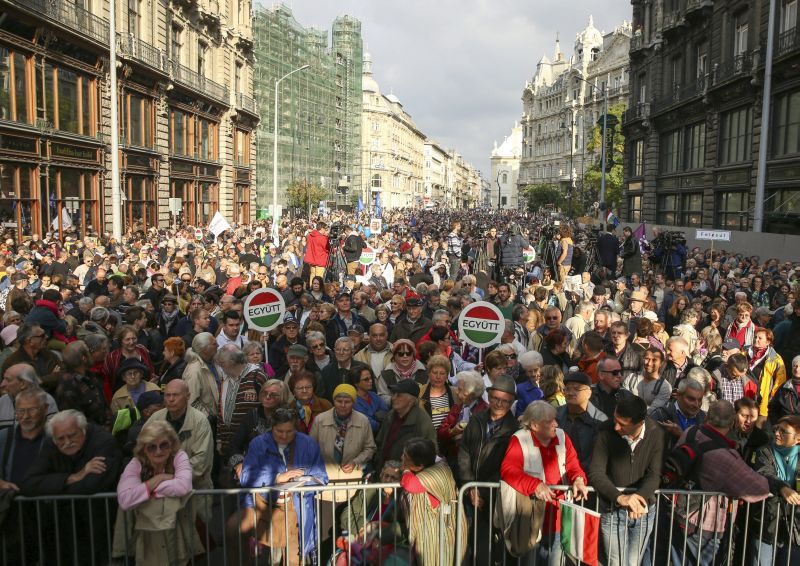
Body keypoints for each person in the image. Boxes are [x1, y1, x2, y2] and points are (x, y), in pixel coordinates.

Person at [667, 401, 770, 566]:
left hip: (679, 512)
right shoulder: (725, 456)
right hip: (705, 525)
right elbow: (759, 488)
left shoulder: (690, 432)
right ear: (732, 422)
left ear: (707, 416)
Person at [21, 410, 122, 564]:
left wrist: (54, 486)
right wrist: (74, 477)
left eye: (72, 435)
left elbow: (92, 485)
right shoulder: (51, 444)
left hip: (100, 526)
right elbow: (28, 483)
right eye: (61, 438)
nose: (67, 442)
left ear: (83, 430)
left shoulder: (103, 441)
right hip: (62, 531)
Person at [233, 407, 328, 565]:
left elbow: (322, 478)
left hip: (298, 511)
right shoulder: (258, 443)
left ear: (296, 428)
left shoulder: (309, 444)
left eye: (289, 431)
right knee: (265, 559)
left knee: (294, 560)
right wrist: (276, 477)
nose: (284, 436)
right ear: (272, 427)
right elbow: (246, 476)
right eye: (279, 431)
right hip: (264, 512)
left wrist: (302, 483)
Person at [499, 401, 588, 566]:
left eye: (555, 419)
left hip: (560, 515)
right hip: (532, 518)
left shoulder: (562, 436)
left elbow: (573, 464)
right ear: (534, 425)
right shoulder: (520, 439)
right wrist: (535, 485)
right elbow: (509, 470)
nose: (556, 424)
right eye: (549, 421)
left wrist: (579, 478)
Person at [588, 396, 664, 566]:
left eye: (623, 424)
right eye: (615, 419)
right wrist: (620, 498)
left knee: (633, 563)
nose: (616, 426)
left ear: (640, 423)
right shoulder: (605, 430)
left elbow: (654, 474)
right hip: (612, 509)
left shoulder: (656, 433)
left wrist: (638, 498)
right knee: (617, 563)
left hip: (643, 511)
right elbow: (596, 472)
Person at [116, 420, 199, 565]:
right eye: (152, 447)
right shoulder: (136, 463)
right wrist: (159, 479)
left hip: (177, 529)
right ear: (143, 449)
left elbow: (183, 486)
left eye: (164, 445)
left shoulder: (179, 456)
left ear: (171, 444)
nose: (159, 451)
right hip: (146, 534)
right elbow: (125, 499)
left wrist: (145, 490)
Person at [458, 374, 517, 565]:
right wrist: (469, 485)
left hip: (496, 496)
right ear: (489, 397)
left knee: (496, 548)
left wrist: (481, 490)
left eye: (505, 401)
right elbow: (465, 451)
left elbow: (508, 465)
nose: (499, 404)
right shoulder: (476, 419)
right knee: (474, 545)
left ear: (512, 403)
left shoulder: (514, 429)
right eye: (496, 399)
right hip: (471, 492)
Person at [399, 437, 466, 566]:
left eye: (406, 457)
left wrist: (405, 470)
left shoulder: (438, 470)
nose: (402, 458)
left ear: (419, 466)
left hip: (441, 535)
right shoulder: (430, 465)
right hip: (431, 533)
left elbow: (410, 484)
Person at [749, 415, 800, 566]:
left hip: (794, 527)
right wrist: (782, 488)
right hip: (767, 523)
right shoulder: (764, 451)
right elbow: (764, 472)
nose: (777, 433)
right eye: (776, 429)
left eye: (784, 431)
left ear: (798, 438)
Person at [149, 379, 214, 491]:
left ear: (188, 396)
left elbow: (201, 460)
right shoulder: (155, 419)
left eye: (175, 395)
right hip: (161, 492)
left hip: (195, 491)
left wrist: (173, 478)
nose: (171, 399)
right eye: (167, 395)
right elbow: (142, 450)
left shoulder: (200, 421)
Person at [224, 379, 291, 484]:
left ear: (283, 398)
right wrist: (239, 463)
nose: (267, 396)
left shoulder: (290, 418)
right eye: (264, 393)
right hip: (252, 470)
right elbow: (233, 446)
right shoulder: (251, 416)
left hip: (281, 473)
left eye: (273, 394)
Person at [215, 344, 268, 455]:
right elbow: (221, 410)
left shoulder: (257, 376)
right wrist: (220, 439)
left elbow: (267, 408)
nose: (220, 367)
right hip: (228, 445)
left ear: (232, 362)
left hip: (252, 445)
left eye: (222, 363)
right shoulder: (225, 379)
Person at [374, 380, 436, 472]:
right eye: (393, 394)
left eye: (399, 395)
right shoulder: (391, 415)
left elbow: (429, 454)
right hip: (385, 471)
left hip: (407, 476)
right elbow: (380, 442)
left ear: (411, 400)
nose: (393, 398)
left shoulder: (422, 421)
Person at [53, 341, 113, 429]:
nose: (91, 353)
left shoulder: (90, 376)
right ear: (83, 358)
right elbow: (77, 423)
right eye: (89, 351)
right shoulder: (68, 388)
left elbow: (103, 404)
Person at [557, 371, 607, 470]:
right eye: (567, 389)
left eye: (576, 389)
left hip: (587, 476)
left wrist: (577, 474)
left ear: (589, 393)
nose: (570, 393)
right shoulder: (555, 415)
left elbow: (597, 457)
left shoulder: (600, 420)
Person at [0, 323, 61, 392]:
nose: (46, 337)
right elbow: (12, 389)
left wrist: (37, 381)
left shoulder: (48, 354)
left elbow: (62, 373)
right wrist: (50, 378)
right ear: (30, 341)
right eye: (42, 336)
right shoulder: (12, 363)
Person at [748, 327, 787, 426]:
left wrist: (770, 400)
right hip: (743, 398)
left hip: (761, 403)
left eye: (760, 338)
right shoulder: (746, 352)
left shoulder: (776, 359)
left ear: (768, 341)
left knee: (757, 431)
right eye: (755, 337)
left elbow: (780, 383)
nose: (756, 340)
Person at [0, 363, 58, 429]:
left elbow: (52, 433)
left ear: (23, 384)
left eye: (8, 380)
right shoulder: (2, 401)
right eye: (3, 379)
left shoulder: (46, 400)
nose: (2, 384)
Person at [183, 332, 220, 419]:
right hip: (206, 421)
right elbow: (191, 402)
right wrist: (208, 417)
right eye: (214, 344)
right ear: (205, 350)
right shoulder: (194, 370)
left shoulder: (212, 362)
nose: (218, 345)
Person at [623, 347, 672, 412]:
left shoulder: (664, 387)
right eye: (647, 359)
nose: (649, 363)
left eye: (654, 360)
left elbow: (653, 411)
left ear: (661, 363)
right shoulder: (631, 378)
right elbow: (623, 400)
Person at [320, 337, 366, 402]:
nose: (341, 353)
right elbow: (323, 397)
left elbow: (369, 393)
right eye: (338, 349)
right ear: (334, 351)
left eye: (345, 350)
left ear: (352, 352)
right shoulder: (326, 371)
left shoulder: (362, 369)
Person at [728, 397, 769, 464]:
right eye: (744, 416)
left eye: (752, 417)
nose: (748, 421)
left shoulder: (762, 438)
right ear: (735, 414)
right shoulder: (726, 436)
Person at [418, 355, 454, 431]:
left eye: (442, 373)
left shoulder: (455, 393)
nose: (438, 377)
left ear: (447, 375)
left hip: (449, 440)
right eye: (434, 373)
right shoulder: (419, 392)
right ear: (428, 373)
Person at [769, 356, 800, 423]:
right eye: (795, 366)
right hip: (786, 428)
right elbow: (773, 408)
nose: (797, 369)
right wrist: (777, 424)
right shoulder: (784, 387)